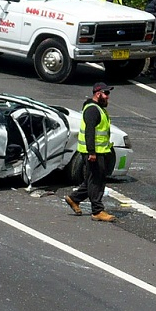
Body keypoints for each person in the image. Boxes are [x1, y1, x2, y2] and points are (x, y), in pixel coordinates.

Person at [65, 82, 116, 222]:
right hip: (93, 152)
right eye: (106, 94)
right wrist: (92, 152)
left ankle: (74, 198)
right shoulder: (92, 110)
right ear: (98, 94)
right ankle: (97, 211)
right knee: (97, 181)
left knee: (91, 179)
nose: (108, 97)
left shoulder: (98, 108)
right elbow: (89, 132)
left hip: (99, 151)